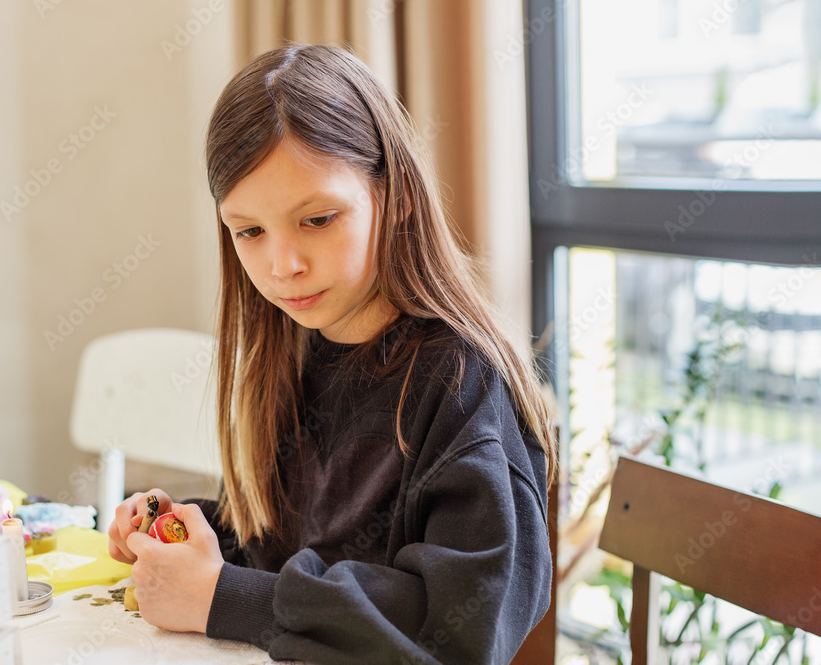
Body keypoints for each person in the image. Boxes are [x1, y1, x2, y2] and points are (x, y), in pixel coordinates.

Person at [107, 43, 557, 664]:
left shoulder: (460, 382)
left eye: (318, 219)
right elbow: (296, 554)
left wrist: (223, 595)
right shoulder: (295, 346)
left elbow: (465, 630)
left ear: (394, 196)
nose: (282, 265)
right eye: (250, 231)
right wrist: (193, 540)